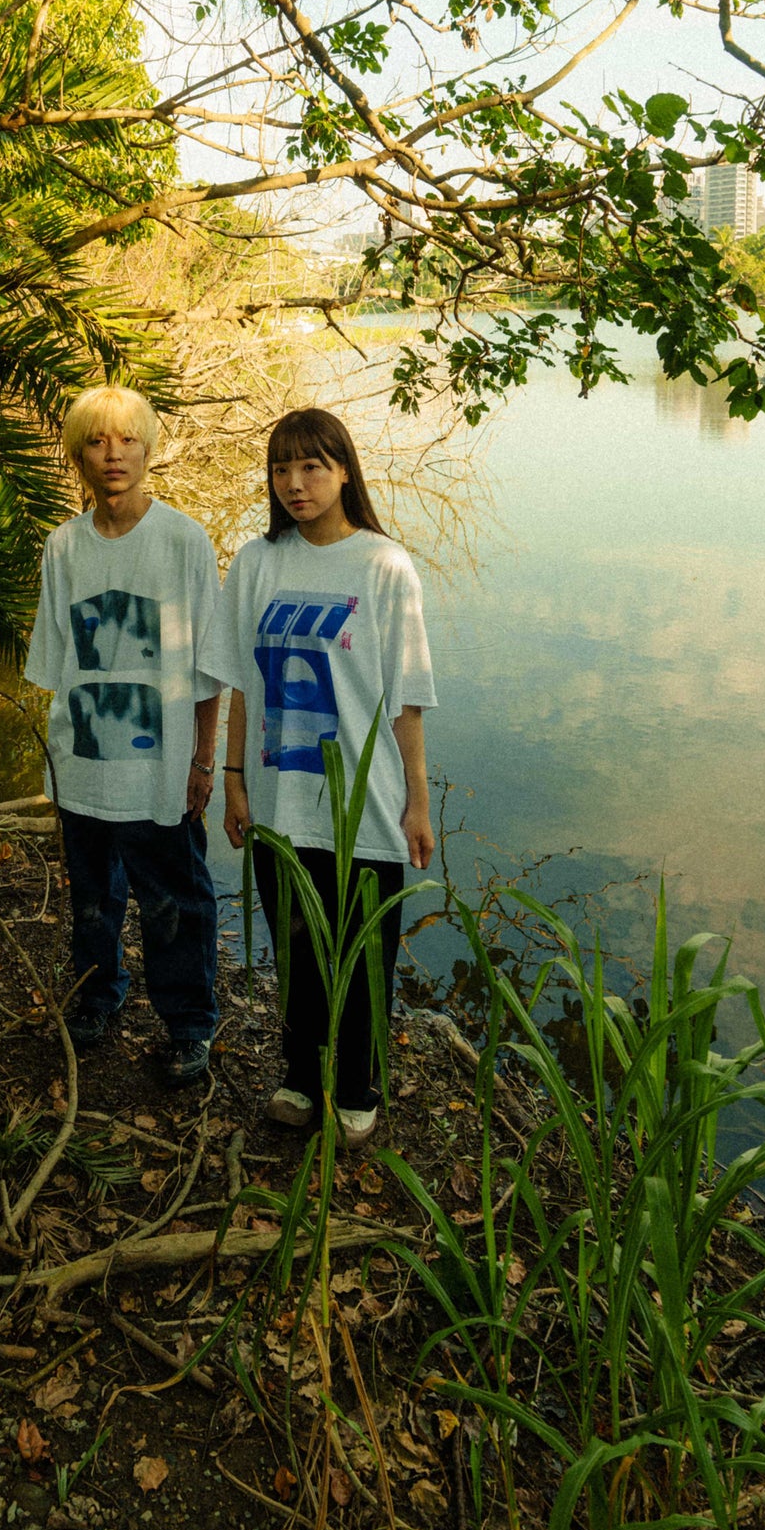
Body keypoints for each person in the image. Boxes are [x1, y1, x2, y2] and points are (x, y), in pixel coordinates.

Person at [203, 407, 435, 1148]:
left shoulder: (384, 565)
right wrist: (233, 778)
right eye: (281, 469)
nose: (295, 484)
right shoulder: (256, 563)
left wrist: (418, 801)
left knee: (363, 952)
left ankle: (359, 1085)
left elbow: (406, 700)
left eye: (311, 467)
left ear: (343, 472)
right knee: (295, 949)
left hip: (362, 802)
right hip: (280, 798)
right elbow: (244, 683)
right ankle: (302, 1075)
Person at [23, 385, 222, 1087]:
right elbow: (53, 664)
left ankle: (189, 1025)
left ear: (148, 449)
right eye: (97, 441)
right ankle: (96, 996)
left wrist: (203, 760)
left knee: (177, 902)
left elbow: (209, 664)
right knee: (91, 898)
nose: (114, 454)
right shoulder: (62, 546)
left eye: (128, 439)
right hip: (83, 764)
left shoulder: (182, 540)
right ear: (77, 455)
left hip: (159, 769)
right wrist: (55, 765)